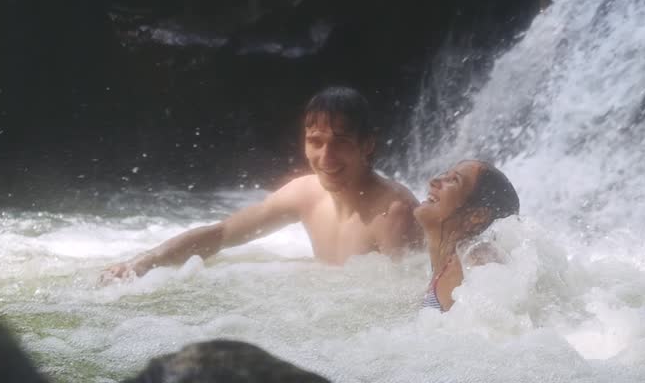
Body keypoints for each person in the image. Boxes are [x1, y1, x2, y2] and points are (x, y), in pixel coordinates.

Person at [102, 87, 421, 281]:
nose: (326, 157)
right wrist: (144, 262)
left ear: (367, 144)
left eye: (340, 143)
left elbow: (414, 299)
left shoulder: (394, 212)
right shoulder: (305, 193)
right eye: (315, 142)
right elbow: (223, 234)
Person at [415, 160, 519, 311]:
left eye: (454, 180)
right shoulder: (448, 261)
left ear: (477, 215)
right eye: (445, 175)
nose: (434, 181)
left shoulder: (477, 260)